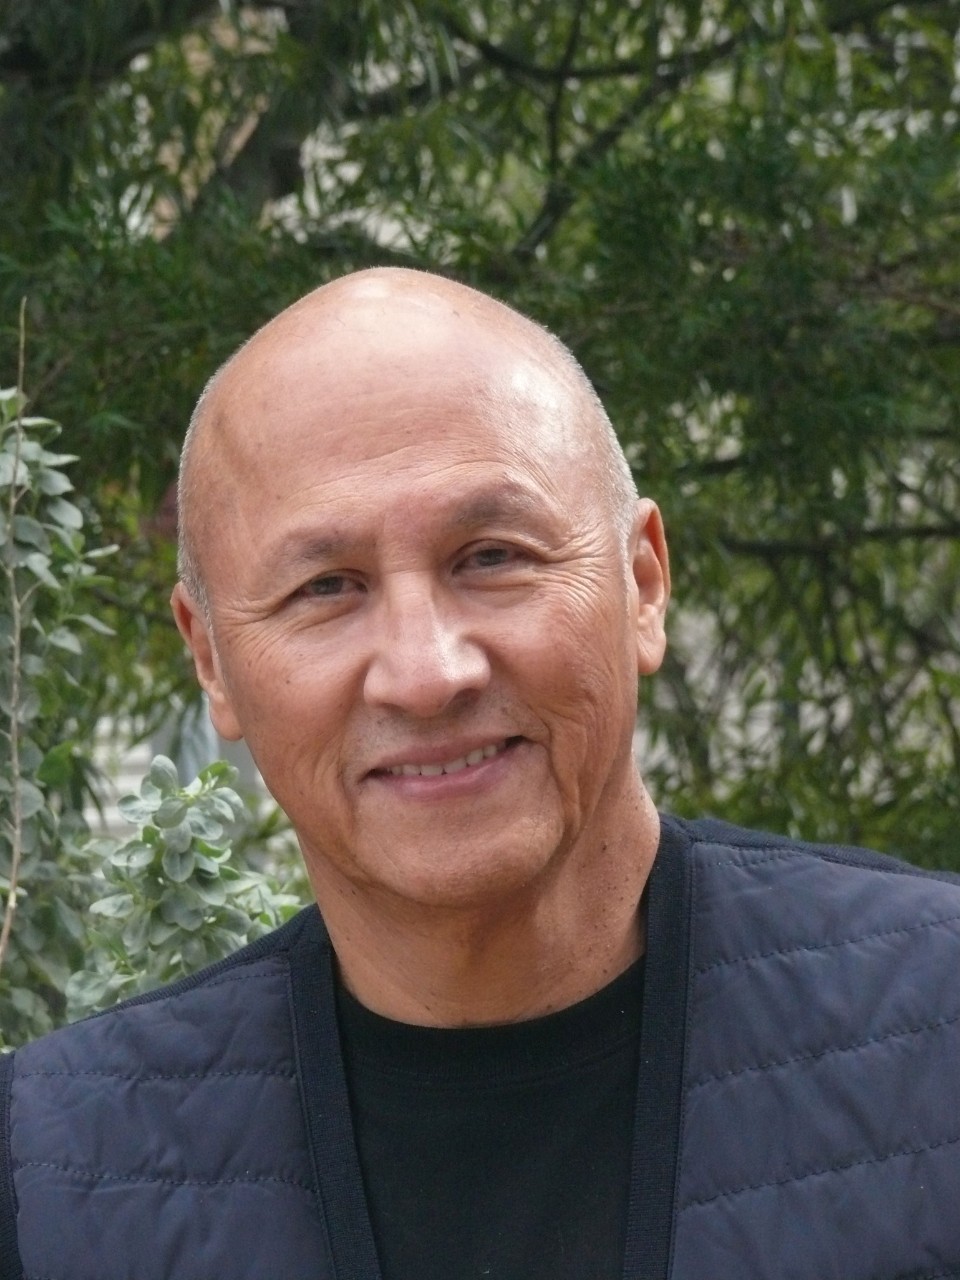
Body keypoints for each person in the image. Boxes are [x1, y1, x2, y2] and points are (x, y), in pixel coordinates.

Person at [2, 268, 959, 1280]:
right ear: (210, 659)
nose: (426, 674)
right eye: (326, 587)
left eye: (491, 557)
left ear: (642, 583)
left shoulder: (934, 1036)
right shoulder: (53, 1185)